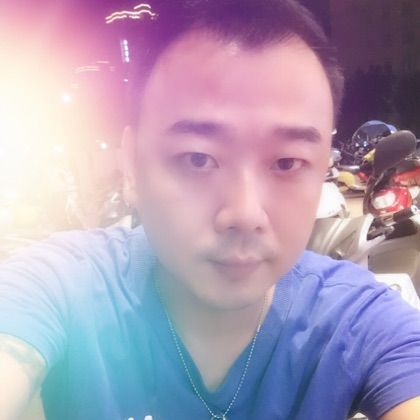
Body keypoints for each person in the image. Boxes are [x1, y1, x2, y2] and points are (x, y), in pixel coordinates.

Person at [1, 0, 420, 419]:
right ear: (130, 165)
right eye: (198, 159)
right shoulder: (64, 288)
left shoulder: (358, 322)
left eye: (287, 162)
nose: (245, 214)